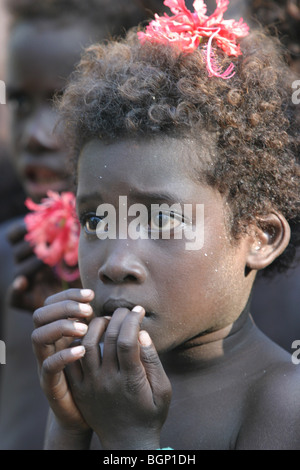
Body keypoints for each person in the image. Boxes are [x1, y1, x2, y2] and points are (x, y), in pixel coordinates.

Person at [31, 0, 300, 450]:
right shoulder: (101, 386)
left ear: (260, 236)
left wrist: (131, 439)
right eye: (96, 219)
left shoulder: (282, 405)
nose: (117, 263)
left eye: (161, 219)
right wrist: (71, 426)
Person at [0, 0, 166, 450]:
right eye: (18, 100)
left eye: (62, 101)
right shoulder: (10, 257)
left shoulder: (172, 279)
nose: (35, 135)